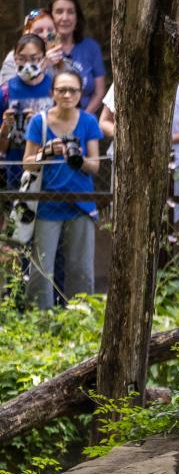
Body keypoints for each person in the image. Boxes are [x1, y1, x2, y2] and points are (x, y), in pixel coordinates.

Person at [20, 71, 102, 309]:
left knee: (81, 269)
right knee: (41, 270)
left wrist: (77, 159)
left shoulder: (88, 121)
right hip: (46, 203)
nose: (67, 95)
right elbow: (27, 162)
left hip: (80, 204)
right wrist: (47, 152)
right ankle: (41, 321)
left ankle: (80, 320)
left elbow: (95, 166)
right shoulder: (40, 122)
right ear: (52, 93)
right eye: (61, 90)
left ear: (80, 93)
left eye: (73, 90)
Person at [99, 70, 179, 225]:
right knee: (125, 220)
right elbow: (105, 122)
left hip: (170, 163)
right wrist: (130, 139)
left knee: (167, 222)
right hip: (127, 162)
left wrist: (164, 141)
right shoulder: (126, 72)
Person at [0, 35, 54, 192]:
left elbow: (64, 131)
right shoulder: (5, 92)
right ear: (14, 59)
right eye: (21, 58)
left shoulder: (55, 88)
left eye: (33, 58)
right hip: (15, 170)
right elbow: (1, 148)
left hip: (49, 169)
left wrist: (39, 121)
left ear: (43, 58)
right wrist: (5, 126)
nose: (27, 64)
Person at [47, 0, 106, 115]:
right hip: (50, 125)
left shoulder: (91, 47)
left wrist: (82, 120)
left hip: (85, 125)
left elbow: (99, 92)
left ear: (77, 17)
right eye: (59, 12)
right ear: (51, 17)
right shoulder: (41, 49)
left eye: (70, 12)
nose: (65, 17)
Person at [0, 10, 62, 86]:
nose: (45, 35)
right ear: (27, 33)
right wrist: (42, 66)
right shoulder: (13, 58)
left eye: (50, 30)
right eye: (39, 31)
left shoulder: (61, 59)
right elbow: (8, 91)